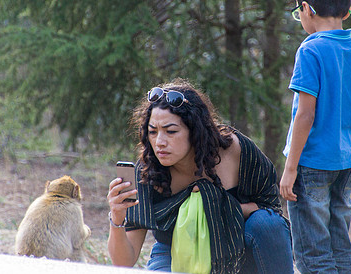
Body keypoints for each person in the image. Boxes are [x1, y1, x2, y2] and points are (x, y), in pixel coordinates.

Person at [107, 78, 293, 274]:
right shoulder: (148, 172)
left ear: (195, 131)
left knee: (266, 223)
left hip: (236, 245)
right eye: (152, 132)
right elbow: (124, 262)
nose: (159, 142)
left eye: (171, 131)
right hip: (174, 251)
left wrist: (215, 209)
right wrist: (117, 218)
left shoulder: (234, 150)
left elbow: (270, 208)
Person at [279, 0, 351, 274]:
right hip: (346, 161)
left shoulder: (310, 51)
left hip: (310, 165)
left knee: (312, 253)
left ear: (306, 8)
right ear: (347, 10)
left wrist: (290, 168)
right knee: (338, 248)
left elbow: (305, 115)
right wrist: (343, 141)